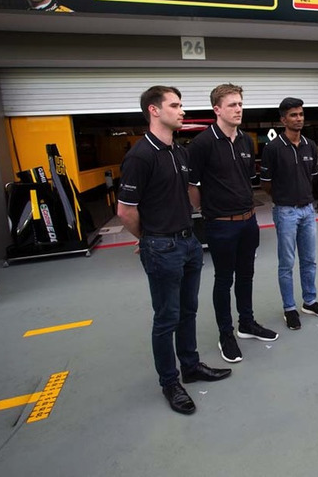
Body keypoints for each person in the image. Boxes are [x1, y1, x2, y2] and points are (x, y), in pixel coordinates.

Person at [117, 85, 231, 415]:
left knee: (188, 311)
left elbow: (184, 195)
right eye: (175, 105)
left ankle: (191, 366)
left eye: (181, 105)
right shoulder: (140, 156)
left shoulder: (178, 152)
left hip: (189, 243)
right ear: (154, 110)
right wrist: (149, 238)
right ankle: (170, 382)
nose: (182, 111)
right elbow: (126, 210)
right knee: (166, 318)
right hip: (162, 246)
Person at [187, 83, 278, 364]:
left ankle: (246, 323)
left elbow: (245, 180)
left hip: (248, 221)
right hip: (220, 225)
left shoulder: (246, 141)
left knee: (247, 274)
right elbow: (192, 186)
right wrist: (208, 210)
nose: (238, 109)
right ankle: (226, 333)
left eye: (240, 104)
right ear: (217, 109)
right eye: (232, 105)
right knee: (223, 280)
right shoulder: (202, 144)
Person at [260, 97, 318, 330]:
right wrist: (284, 199)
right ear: (283, 119)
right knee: (287, 263)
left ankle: (309, 301)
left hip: (308, 211)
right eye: (293, 115)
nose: (299, 118)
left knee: (309, 259)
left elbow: (309, 175)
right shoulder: (273, 149)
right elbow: (266, 184)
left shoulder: (311, 146)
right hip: (285, 212)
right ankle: (289, 308)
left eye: (301, 114)